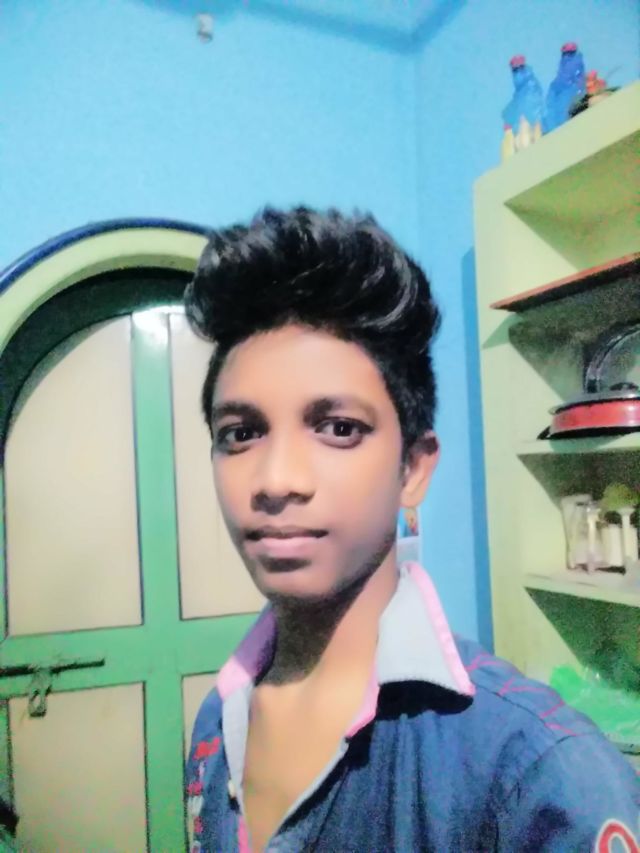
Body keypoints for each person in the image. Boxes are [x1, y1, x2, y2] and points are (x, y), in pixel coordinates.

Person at [184, 207, 639, 853]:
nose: (276, 479)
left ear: (414, 468)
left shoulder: (540, 776)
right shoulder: (216, 719)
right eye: (241, 433)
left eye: (339, 428)